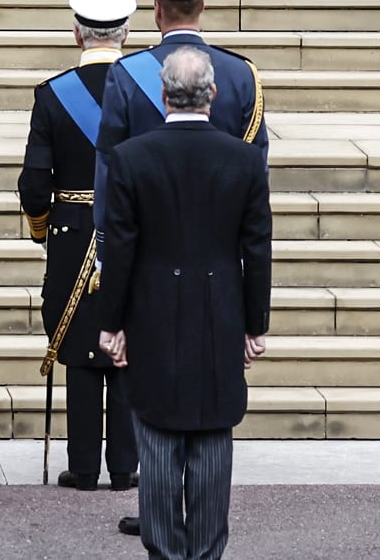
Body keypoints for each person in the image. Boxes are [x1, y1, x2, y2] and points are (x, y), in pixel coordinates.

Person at [94, 44, 273, 560]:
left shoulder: (131, 157)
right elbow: (256, 247)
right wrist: (255, 324)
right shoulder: (243, 159)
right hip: (221, 311)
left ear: (162, 92)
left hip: (150, 313)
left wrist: (112, 323)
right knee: (213, 446)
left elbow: (121, 248)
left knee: (156, 442)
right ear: (213, 95)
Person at [17, 0, 141, 493]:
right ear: (126, 34)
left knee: (79, 342)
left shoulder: (53, 94)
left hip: (72, 234)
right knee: (128, 340)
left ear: (77, 34)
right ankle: (125, 467)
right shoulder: (148, 89)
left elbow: (33, 183)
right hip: (134, 231)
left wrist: (44, 230)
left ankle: (84, 465)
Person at [97, 0, 266, 158]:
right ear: (202, 5)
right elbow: (255, 158)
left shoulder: (124, 73)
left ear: (158, 10)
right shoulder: (242, 73)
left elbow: (109, 158)